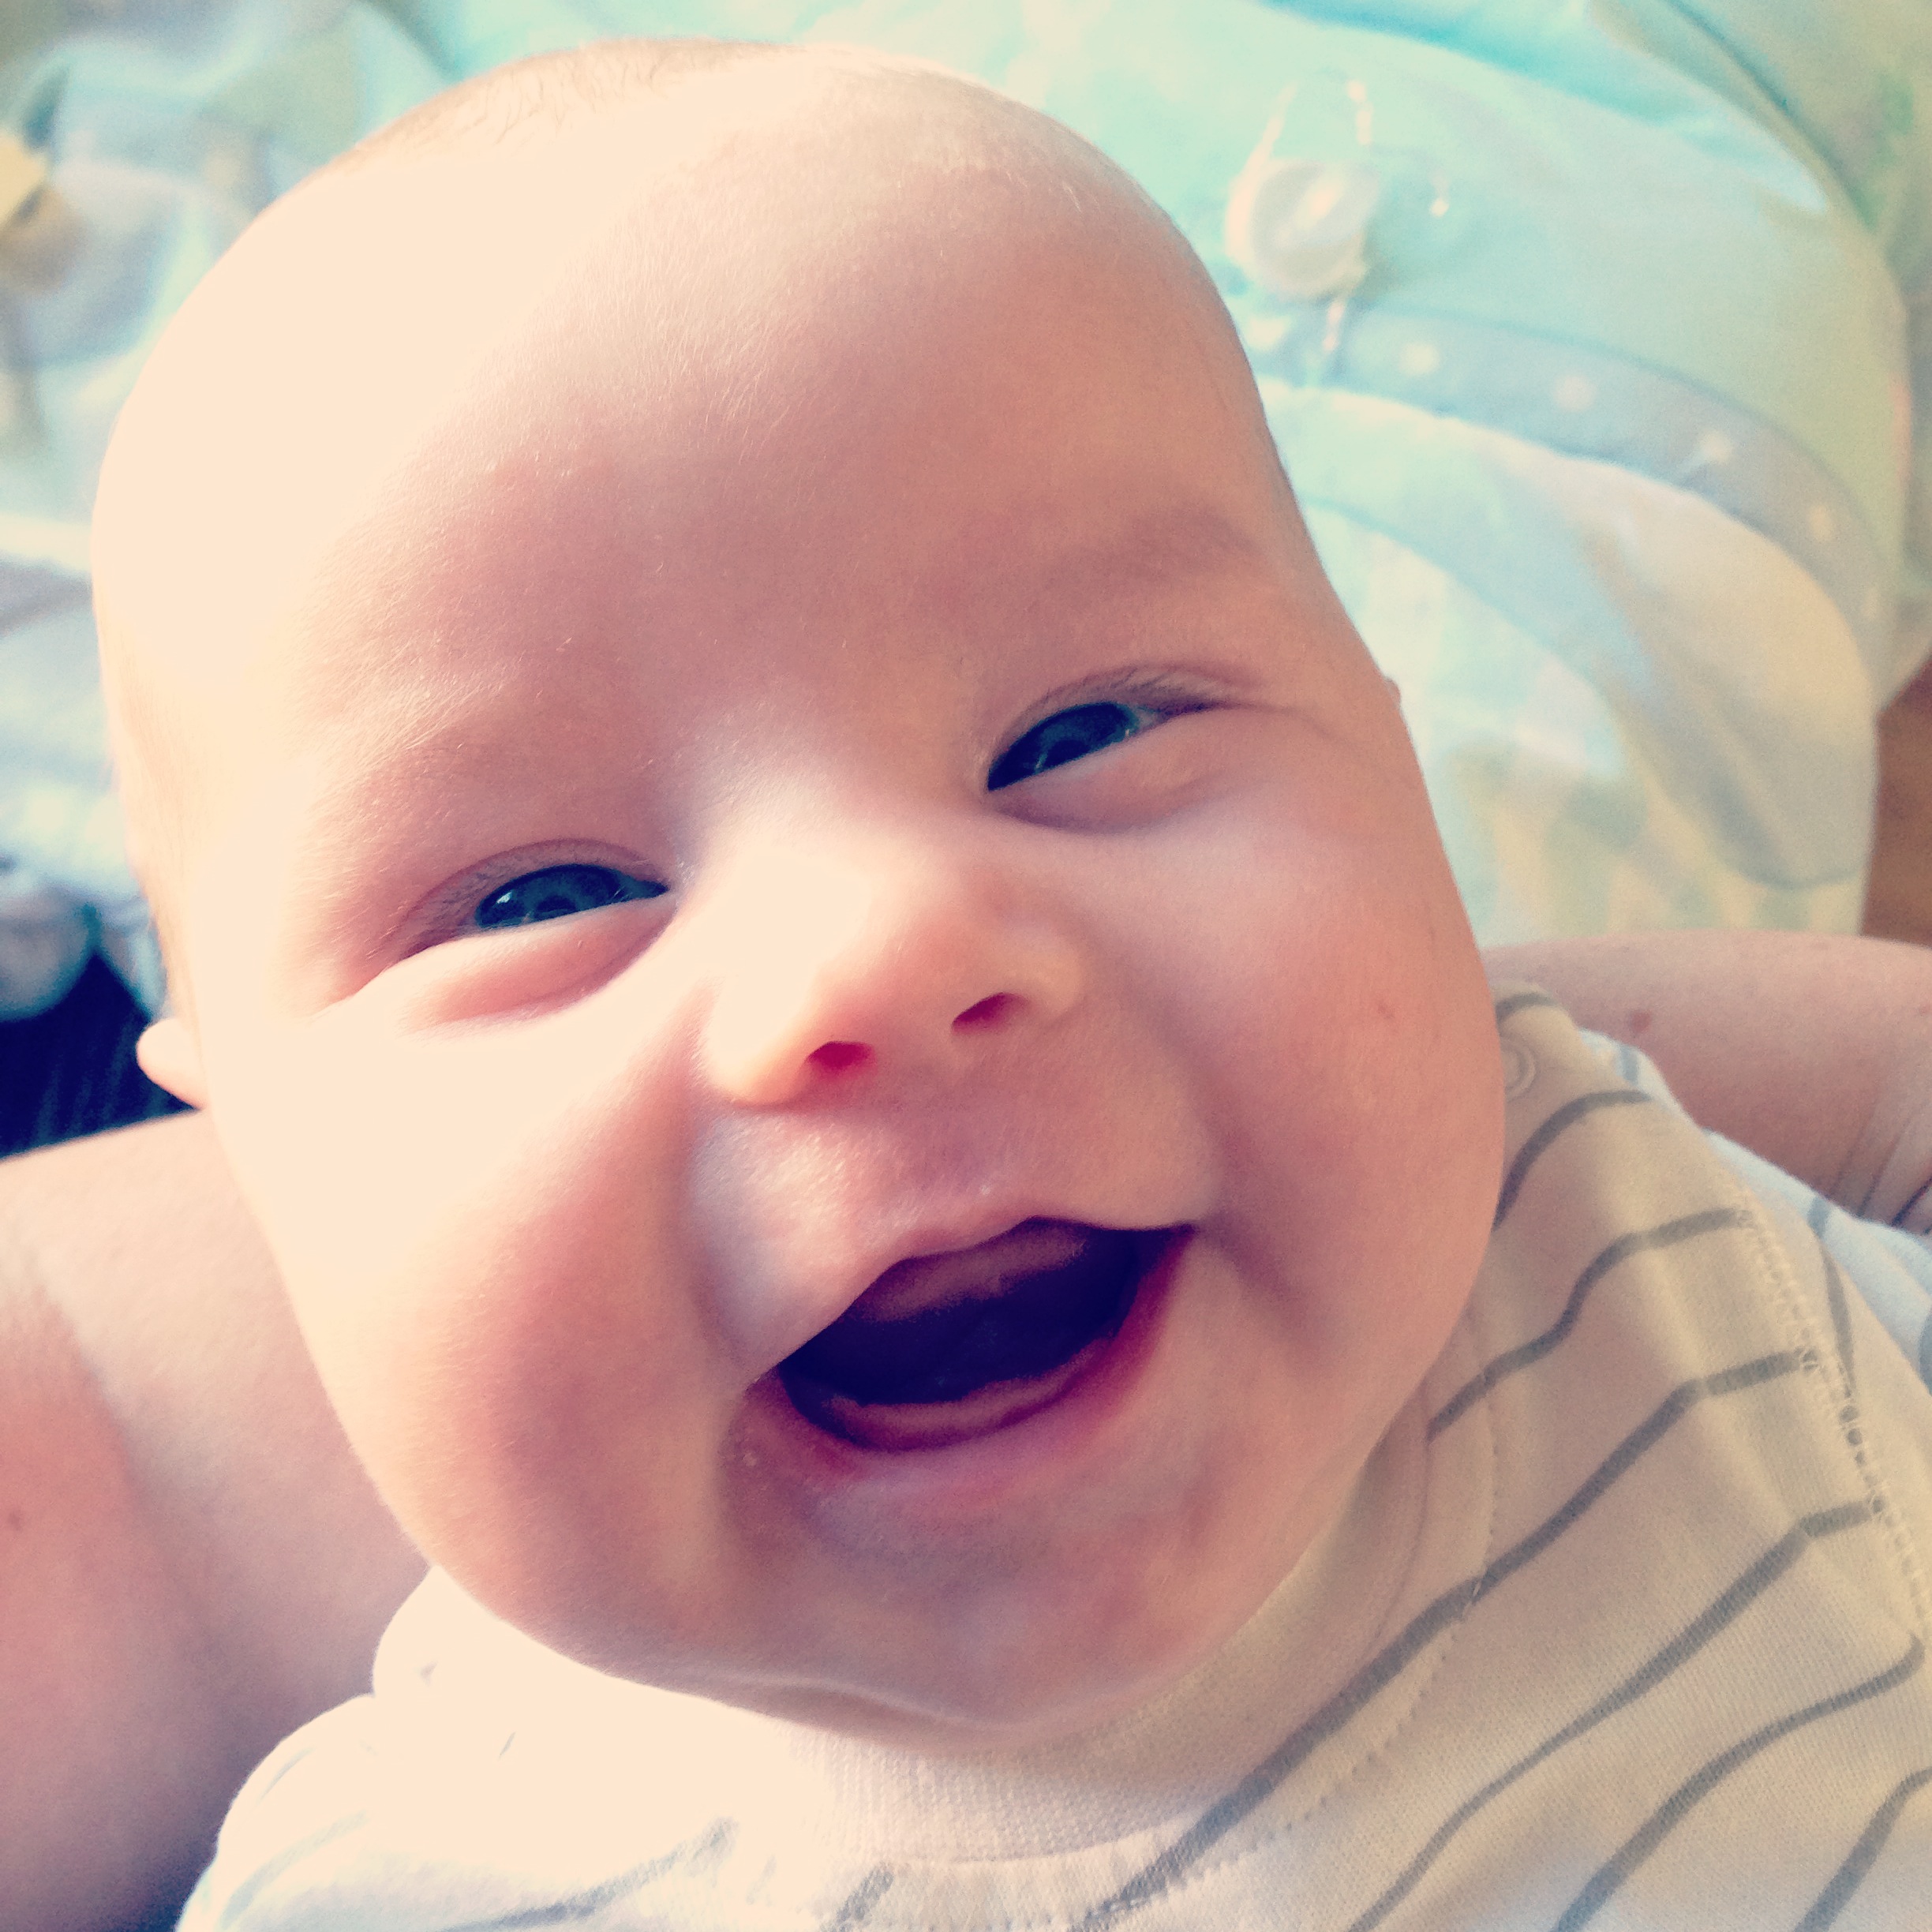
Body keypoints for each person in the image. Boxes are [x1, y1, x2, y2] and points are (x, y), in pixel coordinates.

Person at [12, 36, 1932, 1929]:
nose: (883, 948)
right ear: (247, 1156)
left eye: (1080, 733)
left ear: (1391, 750)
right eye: (544, 898)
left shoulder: (1677, 1238)